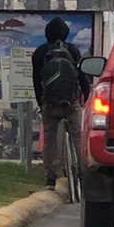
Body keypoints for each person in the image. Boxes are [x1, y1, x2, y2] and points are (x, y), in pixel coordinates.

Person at [31, 17, 91, 188]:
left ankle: (50, 177)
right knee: (78, 137)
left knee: (49, 137)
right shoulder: (73, 51)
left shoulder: (40, 53)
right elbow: (81, 77)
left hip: (50, 104)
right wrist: (85, 97)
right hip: (71, 103)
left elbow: (36, 80)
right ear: (66, 34)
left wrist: (41, 102)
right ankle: (83, 173)